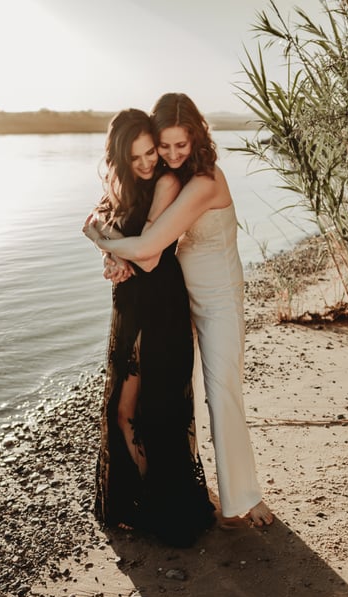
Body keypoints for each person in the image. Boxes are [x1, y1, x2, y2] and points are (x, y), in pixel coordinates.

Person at [84, 93, 274, 529]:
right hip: (181, 296)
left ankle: (244, 499)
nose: (170, 154)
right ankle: (183, 487)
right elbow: (129, 216)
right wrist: (110, 251)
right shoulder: (170, 177)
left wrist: (101, 241)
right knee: (178, 396)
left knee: (222, 390)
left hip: (220, 297)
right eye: (162, 146)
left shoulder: (205, 182)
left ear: (197, 138)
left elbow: (148, 248)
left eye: (179, 145)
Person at [85, 108, 216, 548]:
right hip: (129, 305)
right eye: (137, 156)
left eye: (150, 153)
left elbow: (150, 256)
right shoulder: (123, 188)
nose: (147, 162)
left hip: (160, 307)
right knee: (122, 411)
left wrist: (109, 248)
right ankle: (141, 500)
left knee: (155, 413)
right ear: (122, 158)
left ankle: (166, 509)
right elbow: (95, 222)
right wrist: (109, 254)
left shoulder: (167, 183)